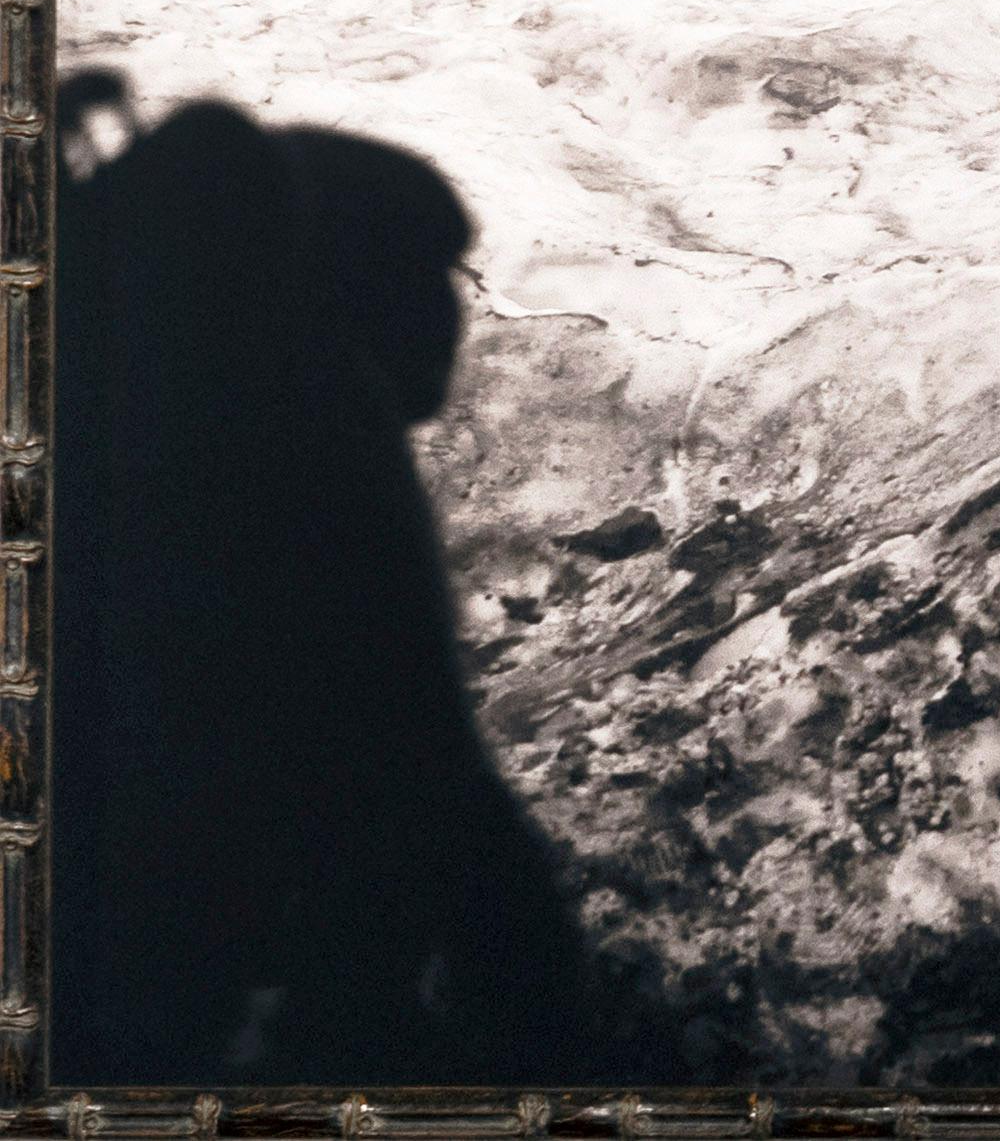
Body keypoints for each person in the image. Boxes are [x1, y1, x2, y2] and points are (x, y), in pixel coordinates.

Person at [51, 72, 600, 1080]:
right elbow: (430, 775)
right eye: (434, 272)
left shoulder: (159, 404)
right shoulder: (306, 436)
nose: (455, 313)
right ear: (357, 283)